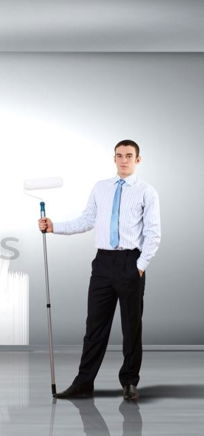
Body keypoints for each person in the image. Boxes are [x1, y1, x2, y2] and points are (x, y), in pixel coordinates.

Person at [38, 139, 161, 400]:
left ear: (138, 160)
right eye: (119, 155)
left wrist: (140, 266)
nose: (124, 160)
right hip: (103, 263)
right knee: (94, 327)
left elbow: (153, 234)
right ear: (114, 158)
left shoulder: (146, 192)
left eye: (129, 156)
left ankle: (129, 382)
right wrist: (53, 226)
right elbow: (87, 220)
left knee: (131, 327)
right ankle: (84, 383)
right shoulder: (101, 188)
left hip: (130, 262)